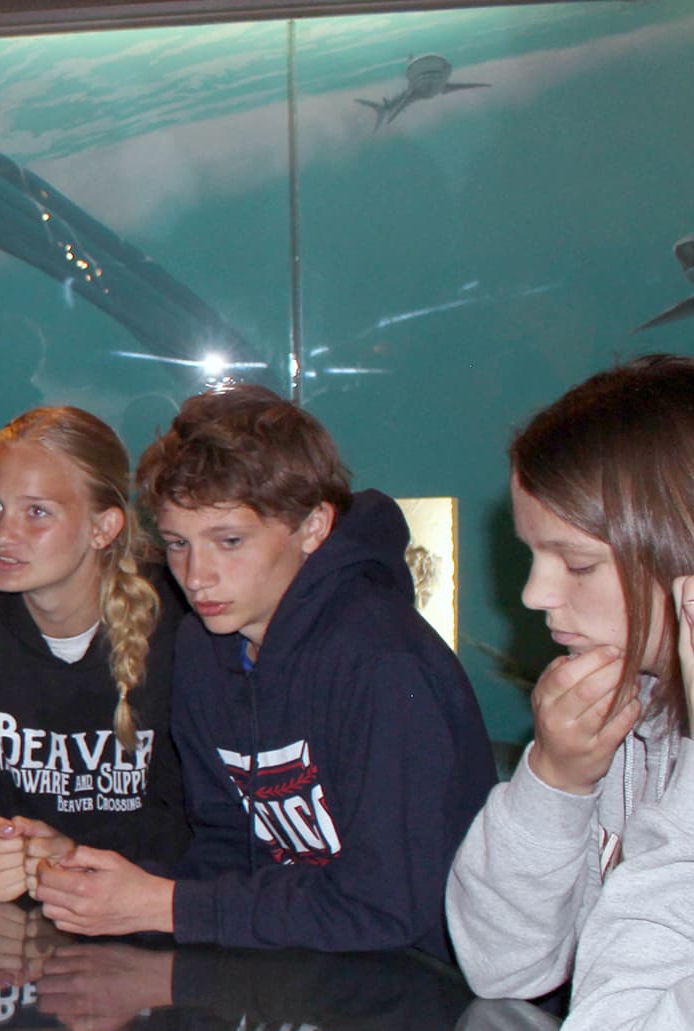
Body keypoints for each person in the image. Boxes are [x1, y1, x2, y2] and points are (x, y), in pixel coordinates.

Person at [31, 385, 493, 955]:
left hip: (423, 985)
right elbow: (227, 845)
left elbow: (388, 906)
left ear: (314, 527)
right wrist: (107, 889)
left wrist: (164, 905)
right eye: (177, 543)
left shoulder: (381, 664)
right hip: (295, 972)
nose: (197, 575)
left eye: (229, 541)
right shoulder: (205, 647)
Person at [447, 356, 694, 1031]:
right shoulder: (639, 706)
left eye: (578, 563)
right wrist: (554, 779)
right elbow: (503, 963)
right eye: (532, 555)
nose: (535, 595)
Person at [0, 406, 188, 897]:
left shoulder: (183, 634)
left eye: (37, 512)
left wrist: (72, 855)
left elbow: (200, 822)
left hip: (145, 917)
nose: (2, 534)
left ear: (104, 527)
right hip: (8, 933)